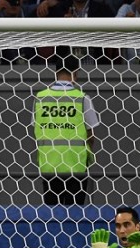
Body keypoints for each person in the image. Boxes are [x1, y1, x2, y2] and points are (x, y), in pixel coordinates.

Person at [33, 55, 100, 205]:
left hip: (49, 165)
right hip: (76, 165)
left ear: (56, 73)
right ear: (75, 73)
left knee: (52, 213)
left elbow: (36, 128)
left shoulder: (40, 98)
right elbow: (91, 134)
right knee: (75, 213)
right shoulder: (82, 98)